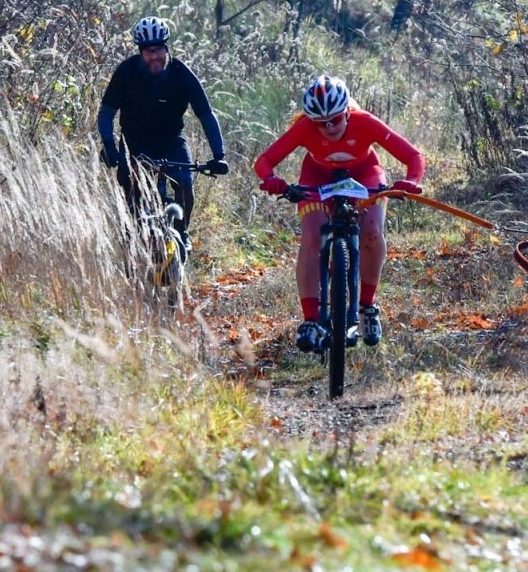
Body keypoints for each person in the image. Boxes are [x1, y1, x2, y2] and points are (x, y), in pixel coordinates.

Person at [253, 75, 423, 351]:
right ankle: (310, 320)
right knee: (312, 236)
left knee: (371, 231)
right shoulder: (304, 128)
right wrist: (272, 179)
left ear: (346, 112)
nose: (329, 127)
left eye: (334, 119)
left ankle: (367, 307)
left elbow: (413, 157)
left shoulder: (365, 122)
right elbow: (264, 160)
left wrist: (411, 180)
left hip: (365, 174)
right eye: (320, 123)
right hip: (317, 176)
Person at [97, 17, 229, 248]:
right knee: (132, 194)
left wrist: (219, 156)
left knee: (185, 186)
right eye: (149, 52)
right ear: (141, 52)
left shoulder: (181, 74)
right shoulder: (126, 72)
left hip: (171, 141)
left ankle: (181, 234)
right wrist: (109, 145)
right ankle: (133, 246)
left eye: (159, 50)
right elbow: (106, 112)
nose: (155, 56)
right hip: (134, 142)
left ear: (166, 48)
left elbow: (206, 114)